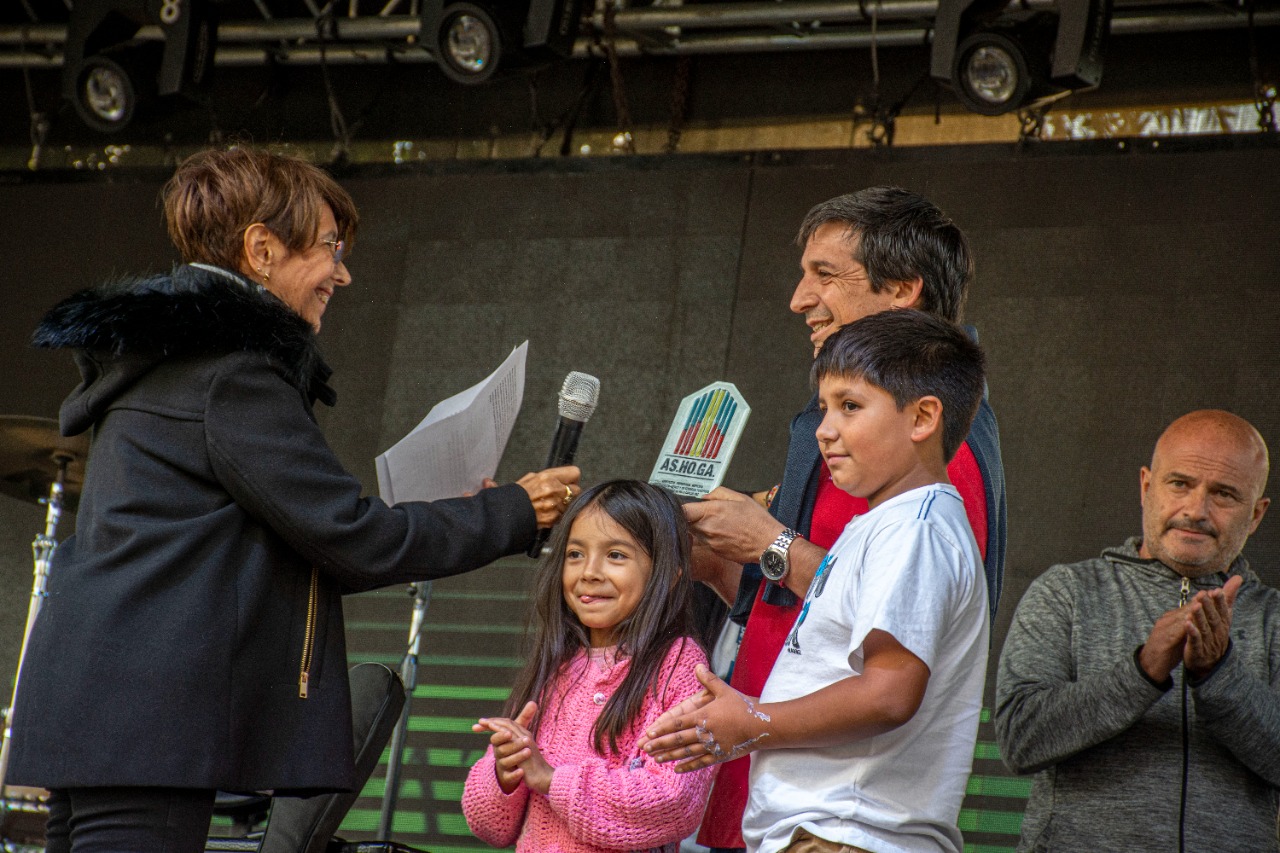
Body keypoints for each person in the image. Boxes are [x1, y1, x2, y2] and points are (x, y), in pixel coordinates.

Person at [6, 147, 580, 852]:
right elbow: (350, 537)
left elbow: (312, 531)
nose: (343, 272)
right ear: (261, 250)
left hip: (97, 697)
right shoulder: (233, 370)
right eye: (330, 248)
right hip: (150, 713)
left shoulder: (169, 358)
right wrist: (513, 510)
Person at [687, 186, 1006, 852]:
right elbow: (825, 617)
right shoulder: (881, 465)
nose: (798, 298)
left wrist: (772, 543)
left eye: (825, 274)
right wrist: (717, 560)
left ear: (902, 290)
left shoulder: (936, 461)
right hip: (783, 796)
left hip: (848, 816)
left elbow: (905, 641)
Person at [643, 310, 991, 853]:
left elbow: (888, 694)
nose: (824, 430)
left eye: (850, 406)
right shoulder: (883, 525)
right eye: (824, 407)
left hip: (847, 832)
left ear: (923, 417)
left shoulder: (915, 530)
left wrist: (752, 720)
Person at [995, 410, 1279, 852]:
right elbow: (1021, 741)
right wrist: (1143, 671)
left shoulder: (1273, 619)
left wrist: (1219, 676)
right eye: (1180, 483)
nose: (1196, 510)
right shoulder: (1066, 591)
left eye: (1224, 494)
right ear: (1146, 487)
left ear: (1256, 514)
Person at [462, 480, 716, 852]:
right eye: (575, 554)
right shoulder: (555, 665)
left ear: (671, 572)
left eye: (615, 555)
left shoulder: (679, 665)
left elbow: (674, 799)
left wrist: (552, 781)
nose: (589, 572)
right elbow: (491, 827)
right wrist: (505, 770)